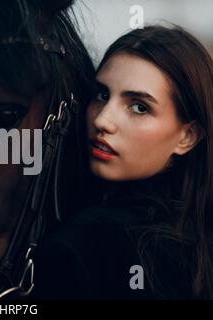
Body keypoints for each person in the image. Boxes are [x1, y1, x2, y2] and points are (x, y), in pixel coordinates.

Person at [31, 25, 213, 299]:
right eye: (102, 95)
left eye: (139, 107)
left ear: (187, 136)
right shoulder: (197, 240)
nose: (102, 120)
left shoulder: (82, 248)